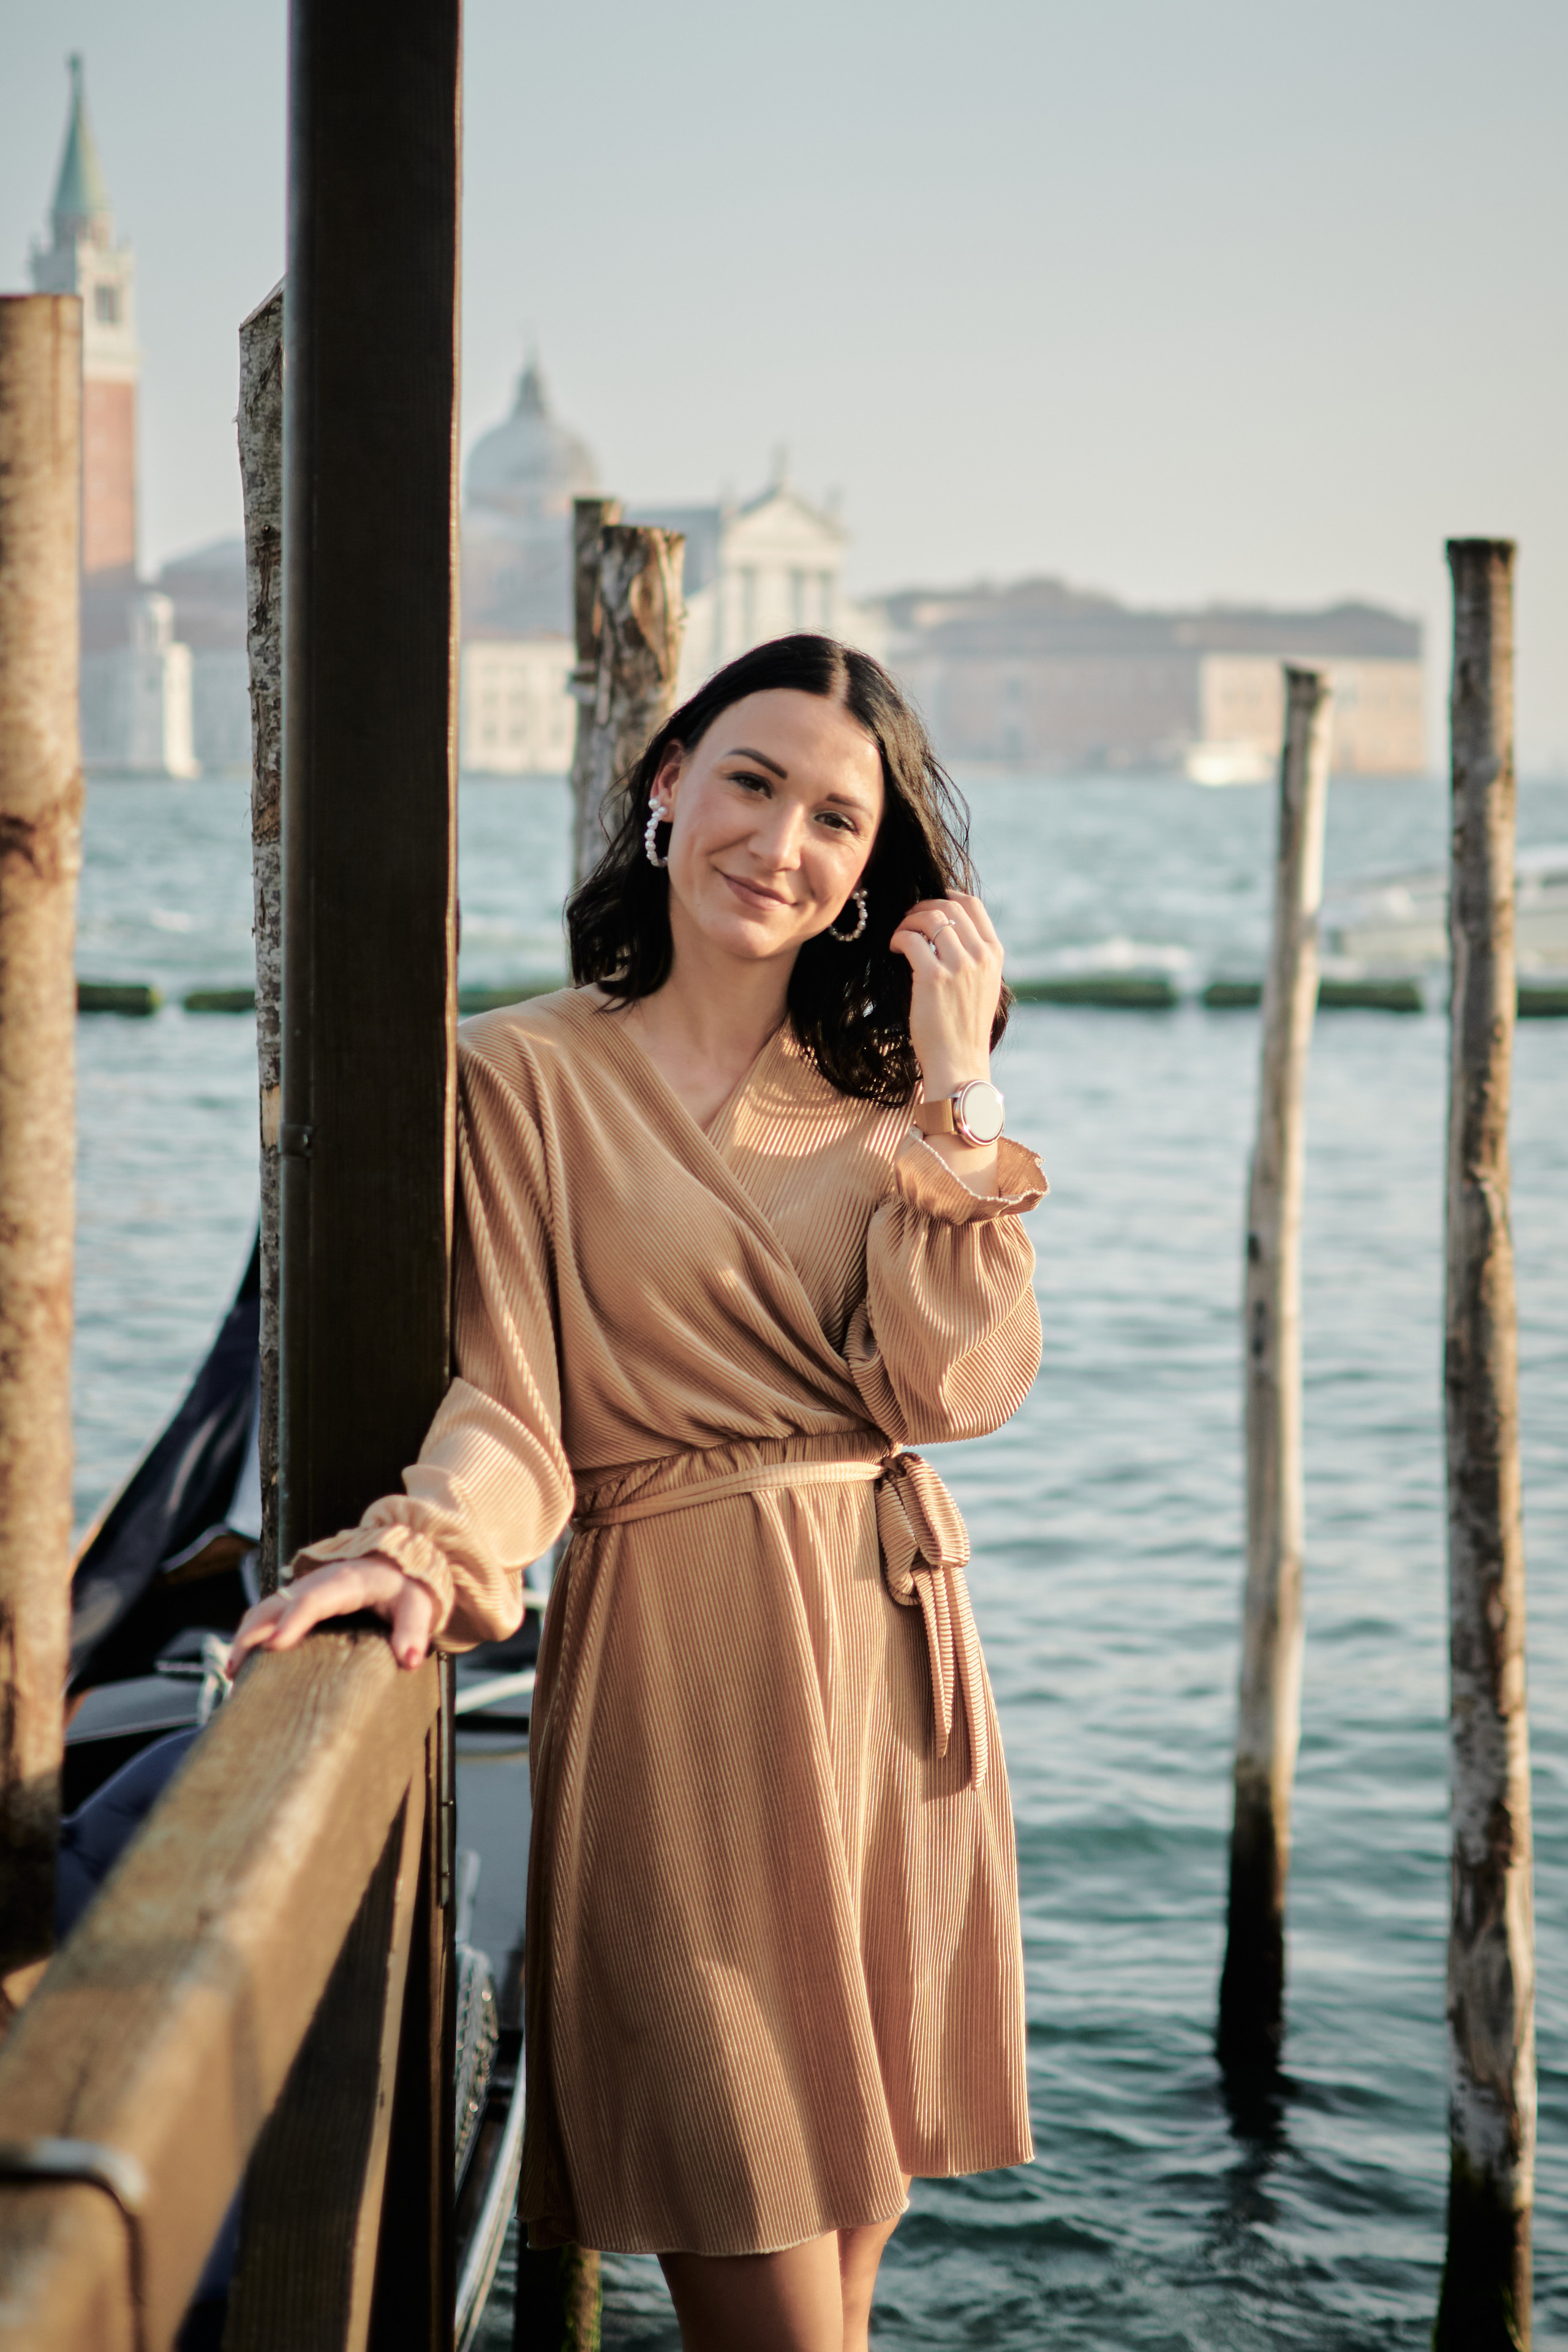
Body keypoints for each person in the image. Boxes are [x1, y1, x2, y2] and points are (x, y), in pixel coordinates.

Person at [228, 633, 1046, 2352]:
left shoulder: (891, 1107)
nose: (785, 842)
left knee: (861, 2197)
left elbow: (958, 1390)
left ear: (865, 880)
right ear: (664, 783)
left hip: (887, 1669)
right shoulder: (515, 1078)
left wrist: (963, 1070)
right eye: (751, 782)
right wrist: (421, 1553)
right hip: (686, 1671)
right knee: (746, 2184)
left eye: (840, 820)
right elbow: (515, 1405)